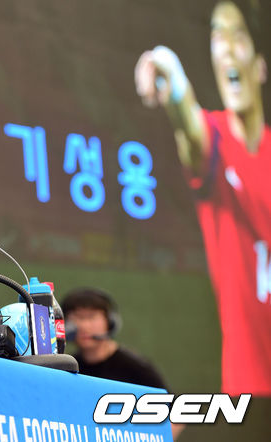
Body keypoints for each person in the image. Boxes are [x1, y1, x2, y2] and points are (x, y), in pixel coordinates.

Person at [134, 1, 271, 396]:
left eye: (237, 35)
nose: (225, 47)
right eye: (216, 36)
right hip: (250, 393)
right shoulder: (214, 139)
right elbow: (188, 123)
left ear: (260, 67)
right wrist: (168, 68)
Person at [62, 287, 184, 440]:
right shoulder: (68, 367)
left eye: (91, 317)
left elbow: (177, 414)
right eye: (77, 318)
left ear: (110, 321)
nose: (84, 326)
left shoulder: (134, 366)